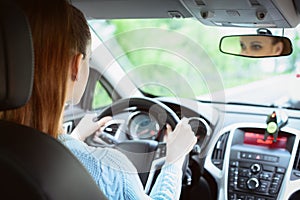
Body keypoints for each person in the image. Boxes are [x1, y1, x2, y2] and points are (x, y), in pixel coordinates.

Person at [0, 0, 197, 199]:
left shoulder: (11, 153)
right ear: (76, 65)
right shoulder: (109, 169)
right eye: (90, 59)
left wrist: (74, 138)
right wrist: (174, 160)